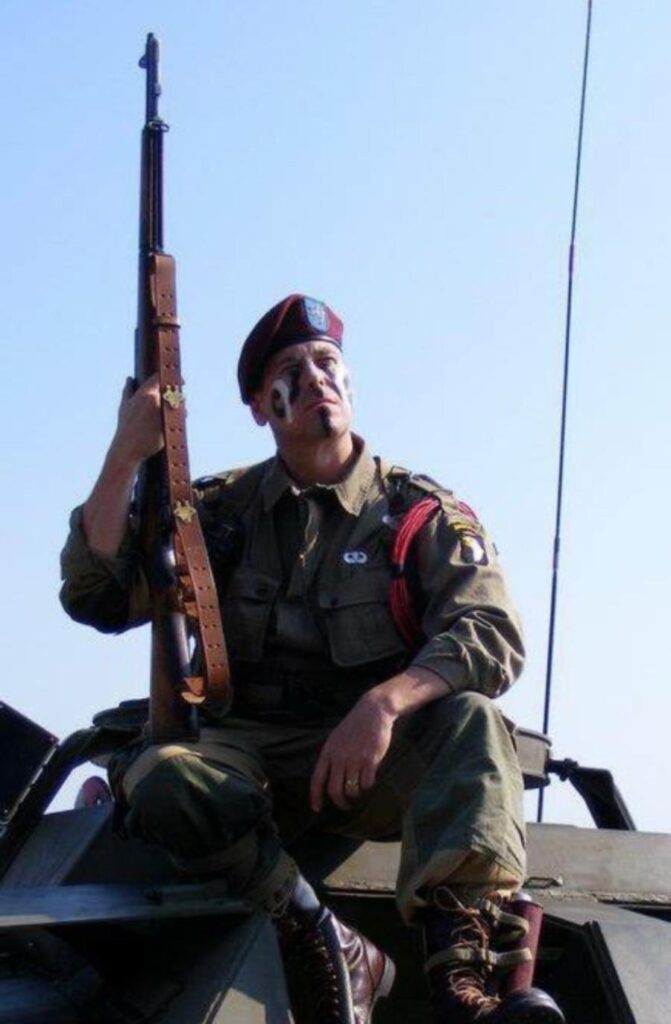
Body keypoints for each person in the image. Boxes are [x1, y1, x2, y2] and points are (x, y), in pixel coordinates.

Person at [60, 294, 563, 1023]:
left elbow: (490, 631)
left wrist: (384, 703)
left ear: (350, 382)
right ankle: (316, 933)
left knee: (475, 723)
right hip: (244, 755)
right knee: (160, 776)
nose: (316, 377)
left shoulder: (413, 513)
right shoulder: (216, 512)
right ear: (261, 407)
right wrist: (126, 454)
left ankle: (461, 981)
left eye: (328, 362)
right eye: (290, 371)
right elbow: (97, 595)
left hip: (375, 761)